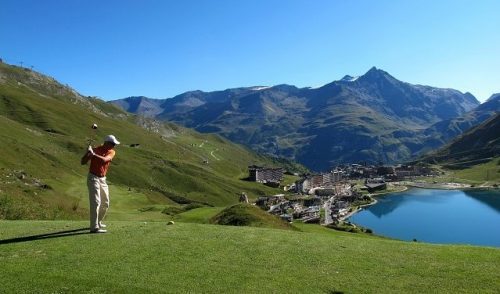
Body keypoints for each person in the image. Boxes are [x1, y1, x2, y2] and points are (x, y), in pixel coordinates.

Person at [81, 134, 120, 233]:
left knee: (105, 203)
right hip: (93, 177)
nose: (114, 146)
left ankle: (98, 221)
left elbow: (104, 160)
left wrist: (93, 154)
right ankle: (94, 227)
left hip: (103, 179)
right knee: (96, 202)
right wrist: (88, 153)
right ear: (106, 143)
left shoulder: (111, 151)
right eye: (113, 144)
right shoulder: (95, 149)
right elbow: (83, 162)